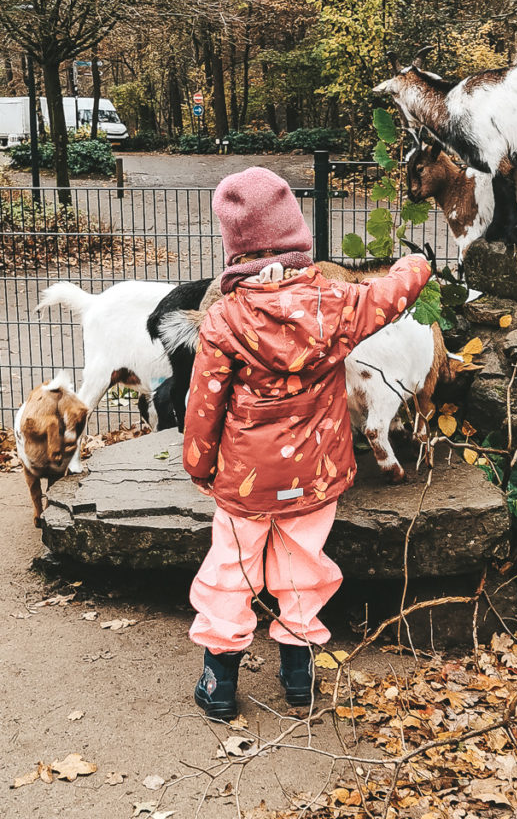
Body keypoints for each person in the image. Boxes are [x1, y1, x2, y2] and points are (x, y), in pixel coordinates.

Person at [183, 166, 432, 718]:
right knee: (302, 565)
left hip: (243, 481)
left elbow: (203, 406)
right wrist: (416, 264)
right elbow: (391, 294)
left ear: (236, 249)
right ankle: (298, 675)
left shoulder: (223, 320)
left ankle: (220, 684)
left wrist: (200, 467)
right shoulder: (337, 303)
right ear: (298, 238)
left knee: (232, 567)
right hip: (315, 476)